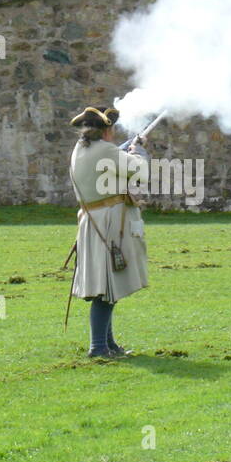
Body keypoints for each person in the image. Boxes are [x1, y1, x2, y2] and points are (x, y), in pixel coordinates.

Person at [68, 106, 149, 358]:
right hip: (109, 222)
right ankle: (99, 347)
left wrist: (124, 150)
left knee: (107, 287)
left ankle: (108, 345)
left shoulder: (83, 149)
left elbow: (107, 163)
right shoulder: (105, 150)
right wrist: (140, 153)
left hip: (94, 221)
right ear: (106, 130)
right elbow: (140, 172)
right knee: (106, 287)